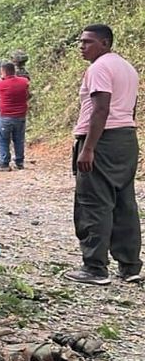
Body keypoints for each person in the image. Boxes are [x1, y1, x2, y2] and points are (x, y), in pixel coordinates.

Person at [65, 24, 142, 285]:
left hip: (103, 140)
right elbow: (130, 108)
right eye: (81, 41)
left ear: (105, 43)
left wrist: (88, 148)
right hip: (126, 139)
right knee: (124, 202)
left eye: (88, 42)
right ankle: (130, 265)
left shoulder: (98, 68)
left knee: (94, 203)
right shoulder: (127, 67)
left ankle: (95, 268)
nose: (82, 46)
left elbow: (101, 109)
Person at [0, 61, 29, 170]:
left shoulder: (0, 84)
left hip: (5, 116)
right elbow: (27, 94)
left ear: (3, 72)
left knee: (3, 140)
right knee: (19, 139)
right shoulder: (24, 82)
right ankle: (19, 162)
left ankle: (4, 163)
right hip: (20, 116)